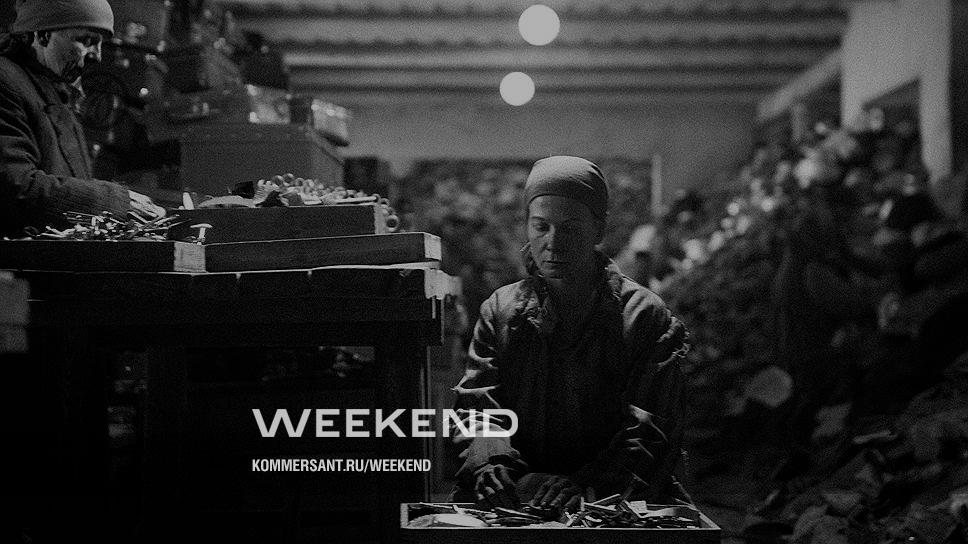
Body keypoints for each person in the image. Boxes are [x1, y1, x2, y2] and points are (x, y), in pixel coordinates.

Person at [450, 156, 691, 511]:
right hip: (519, 495)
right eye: (541, 226)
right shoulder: (501, 311)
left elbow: (652, 429)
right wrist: (490, 466)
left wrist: (587, 485)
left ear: (598, 230)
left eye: (571, 228)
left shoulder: (643, 317)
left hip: (615, 498)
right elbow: (479, 407)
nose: (553, 242)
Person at [0, 0, 164, 238]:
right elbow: (16, 187)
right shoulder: (5, 81)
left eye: (100, 44)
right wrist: (114, 201)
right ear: (43, 35)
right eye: (86, 41)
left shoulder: (57, 90)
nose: (97, 56)